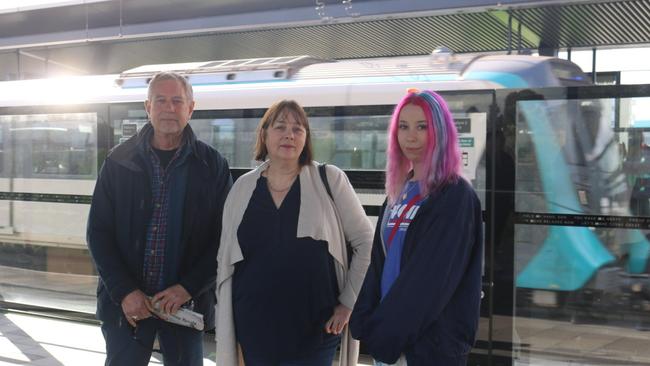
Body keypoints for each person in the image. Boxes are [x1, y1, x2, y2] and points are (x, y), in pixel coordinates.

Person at [87, 71, 232, 366]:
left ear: (190, 108)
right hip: (126, 308)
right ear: (147, 107)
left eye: (177, 100)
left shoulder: (212, 165)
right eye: (161, 100)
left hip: (185, 306)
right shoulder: (118, 160)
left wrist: (188, 287)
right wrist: (125, 291)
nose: (169, 108)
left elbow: (225, 238)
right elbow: (98, 233)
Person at [216, 100, 373, 366]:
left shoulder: (329, 179)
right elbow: (225, 260)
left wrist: (348, 303)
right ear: (264, 135)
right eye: (280, 127)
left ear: (306, 139)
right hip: (254, 327)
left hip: (316, 329)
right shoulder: (243, 188)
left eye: (298, 129)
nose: (289, 134)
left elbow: (366, 243)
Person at [350, 90, 483, 365]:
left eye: (423, 126)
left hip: (427, 349)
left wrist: (383, 336)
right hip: (393, 343)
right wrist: (364, 320)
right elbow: (379, 262)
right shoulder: (399, 191)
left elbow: (428, 282)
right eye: (404, 126)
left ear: (441, 132)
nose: (411, 136)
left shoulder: (455, 196)